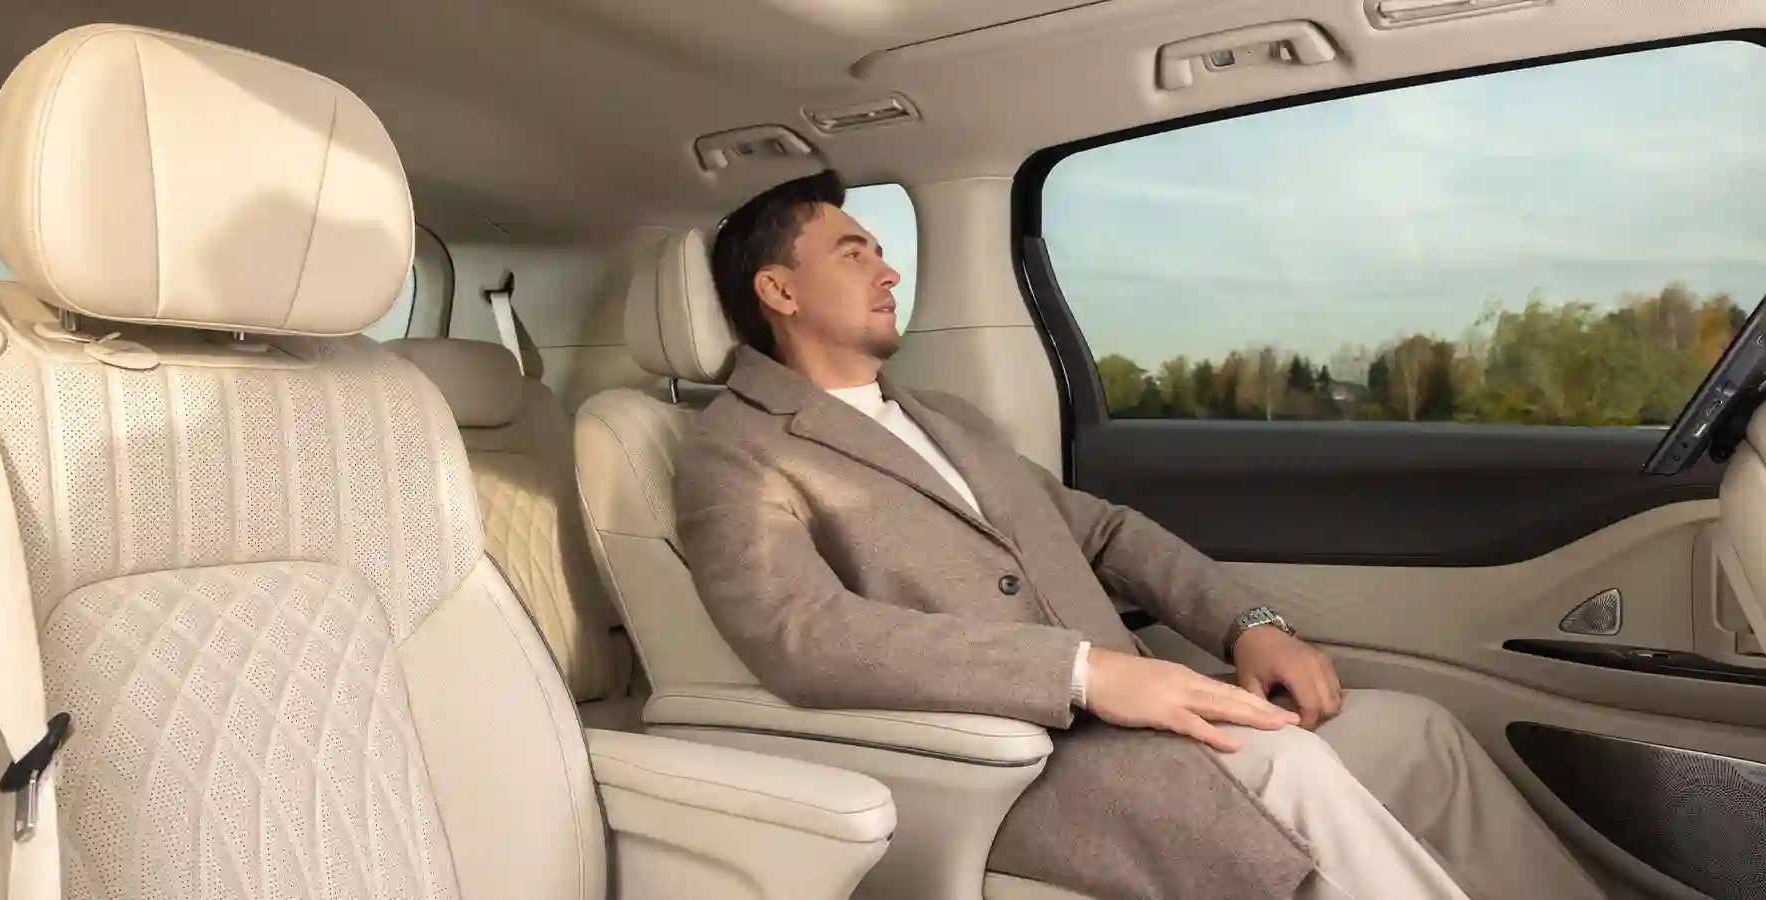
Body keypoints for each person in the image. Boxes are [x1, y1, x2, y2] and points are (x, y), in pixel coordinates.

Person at [672, 169, 1608, 900]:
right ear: (778, 289)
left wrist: (1249, 625)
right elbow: (802, 635)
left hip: (1144, 721)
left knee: (1422, 732)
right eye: (853, 253)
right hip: (1017, 764)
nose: (889, 271)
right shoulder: (733, 452)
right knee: (1289, 771)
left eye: (882, 250)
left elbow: (1107, 533)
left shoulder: (946, 418)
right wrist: (1085, 672)